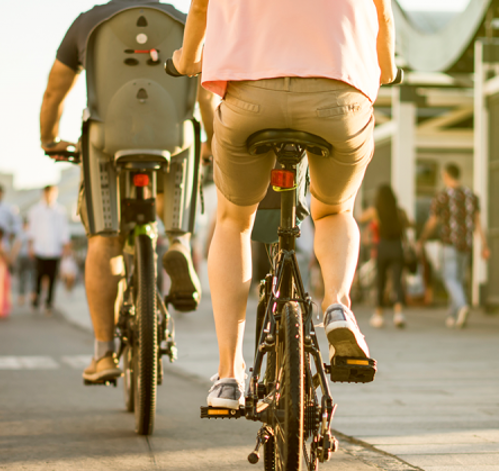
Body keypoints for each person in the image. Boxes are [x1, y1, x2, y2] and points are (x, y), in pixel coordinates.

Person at [171, 0, 398, 408]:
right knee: (334, 210)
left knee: (234, 221)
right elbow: (382, 17)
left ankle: (227, 376)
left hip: (250, 95)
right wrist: (387, 68)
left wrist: (186, 61)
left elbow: (200, 13)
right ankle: (337, 305)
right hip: (340, 95)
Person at [40, 0, 210, 383]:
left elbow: (54, 92)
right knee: (187, 137)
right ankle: (179, 241)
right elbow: (205, 94)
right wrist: (213, 145)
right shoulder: (183, 22)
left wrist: (49, 138)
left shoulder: (88, 23)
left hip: (108, 141)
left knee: (104, 239)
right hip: (173, 140)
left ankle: (103, 354)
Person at [417, 163, 491, 329]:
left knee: (449, 278)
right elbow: (479, 223)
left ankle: (462, 305)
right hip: (466, 244)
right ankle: (453, 315)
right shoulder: (471, 196)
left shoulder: (443, 196)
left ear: (445, 175)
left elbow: (433, 221)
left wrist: (422, 237)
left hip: (449, 242)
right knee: (457, 279)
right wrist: (484, 245)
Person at [359, 185, 411, 328]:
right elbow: (408, 225)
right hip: (397, 248)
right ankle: (398, 314)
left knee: (380, 281)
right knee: (397, 281)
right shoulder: (400, 212)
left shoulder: (376, 211)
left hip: (382, 248)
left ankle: (379, 315)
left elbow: (361, 218)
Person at [27, 185, 70, 316]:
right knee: (38, 276)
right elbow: (32, 229)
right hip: (40, 248)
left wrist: (65, 246)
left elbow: (64, 230)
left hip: (54, 249)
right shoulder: (35, 210)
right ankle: (36, 298)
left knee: (52, 277)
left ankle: (49, 303)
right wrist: (31, 246)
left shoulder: (60, 211)